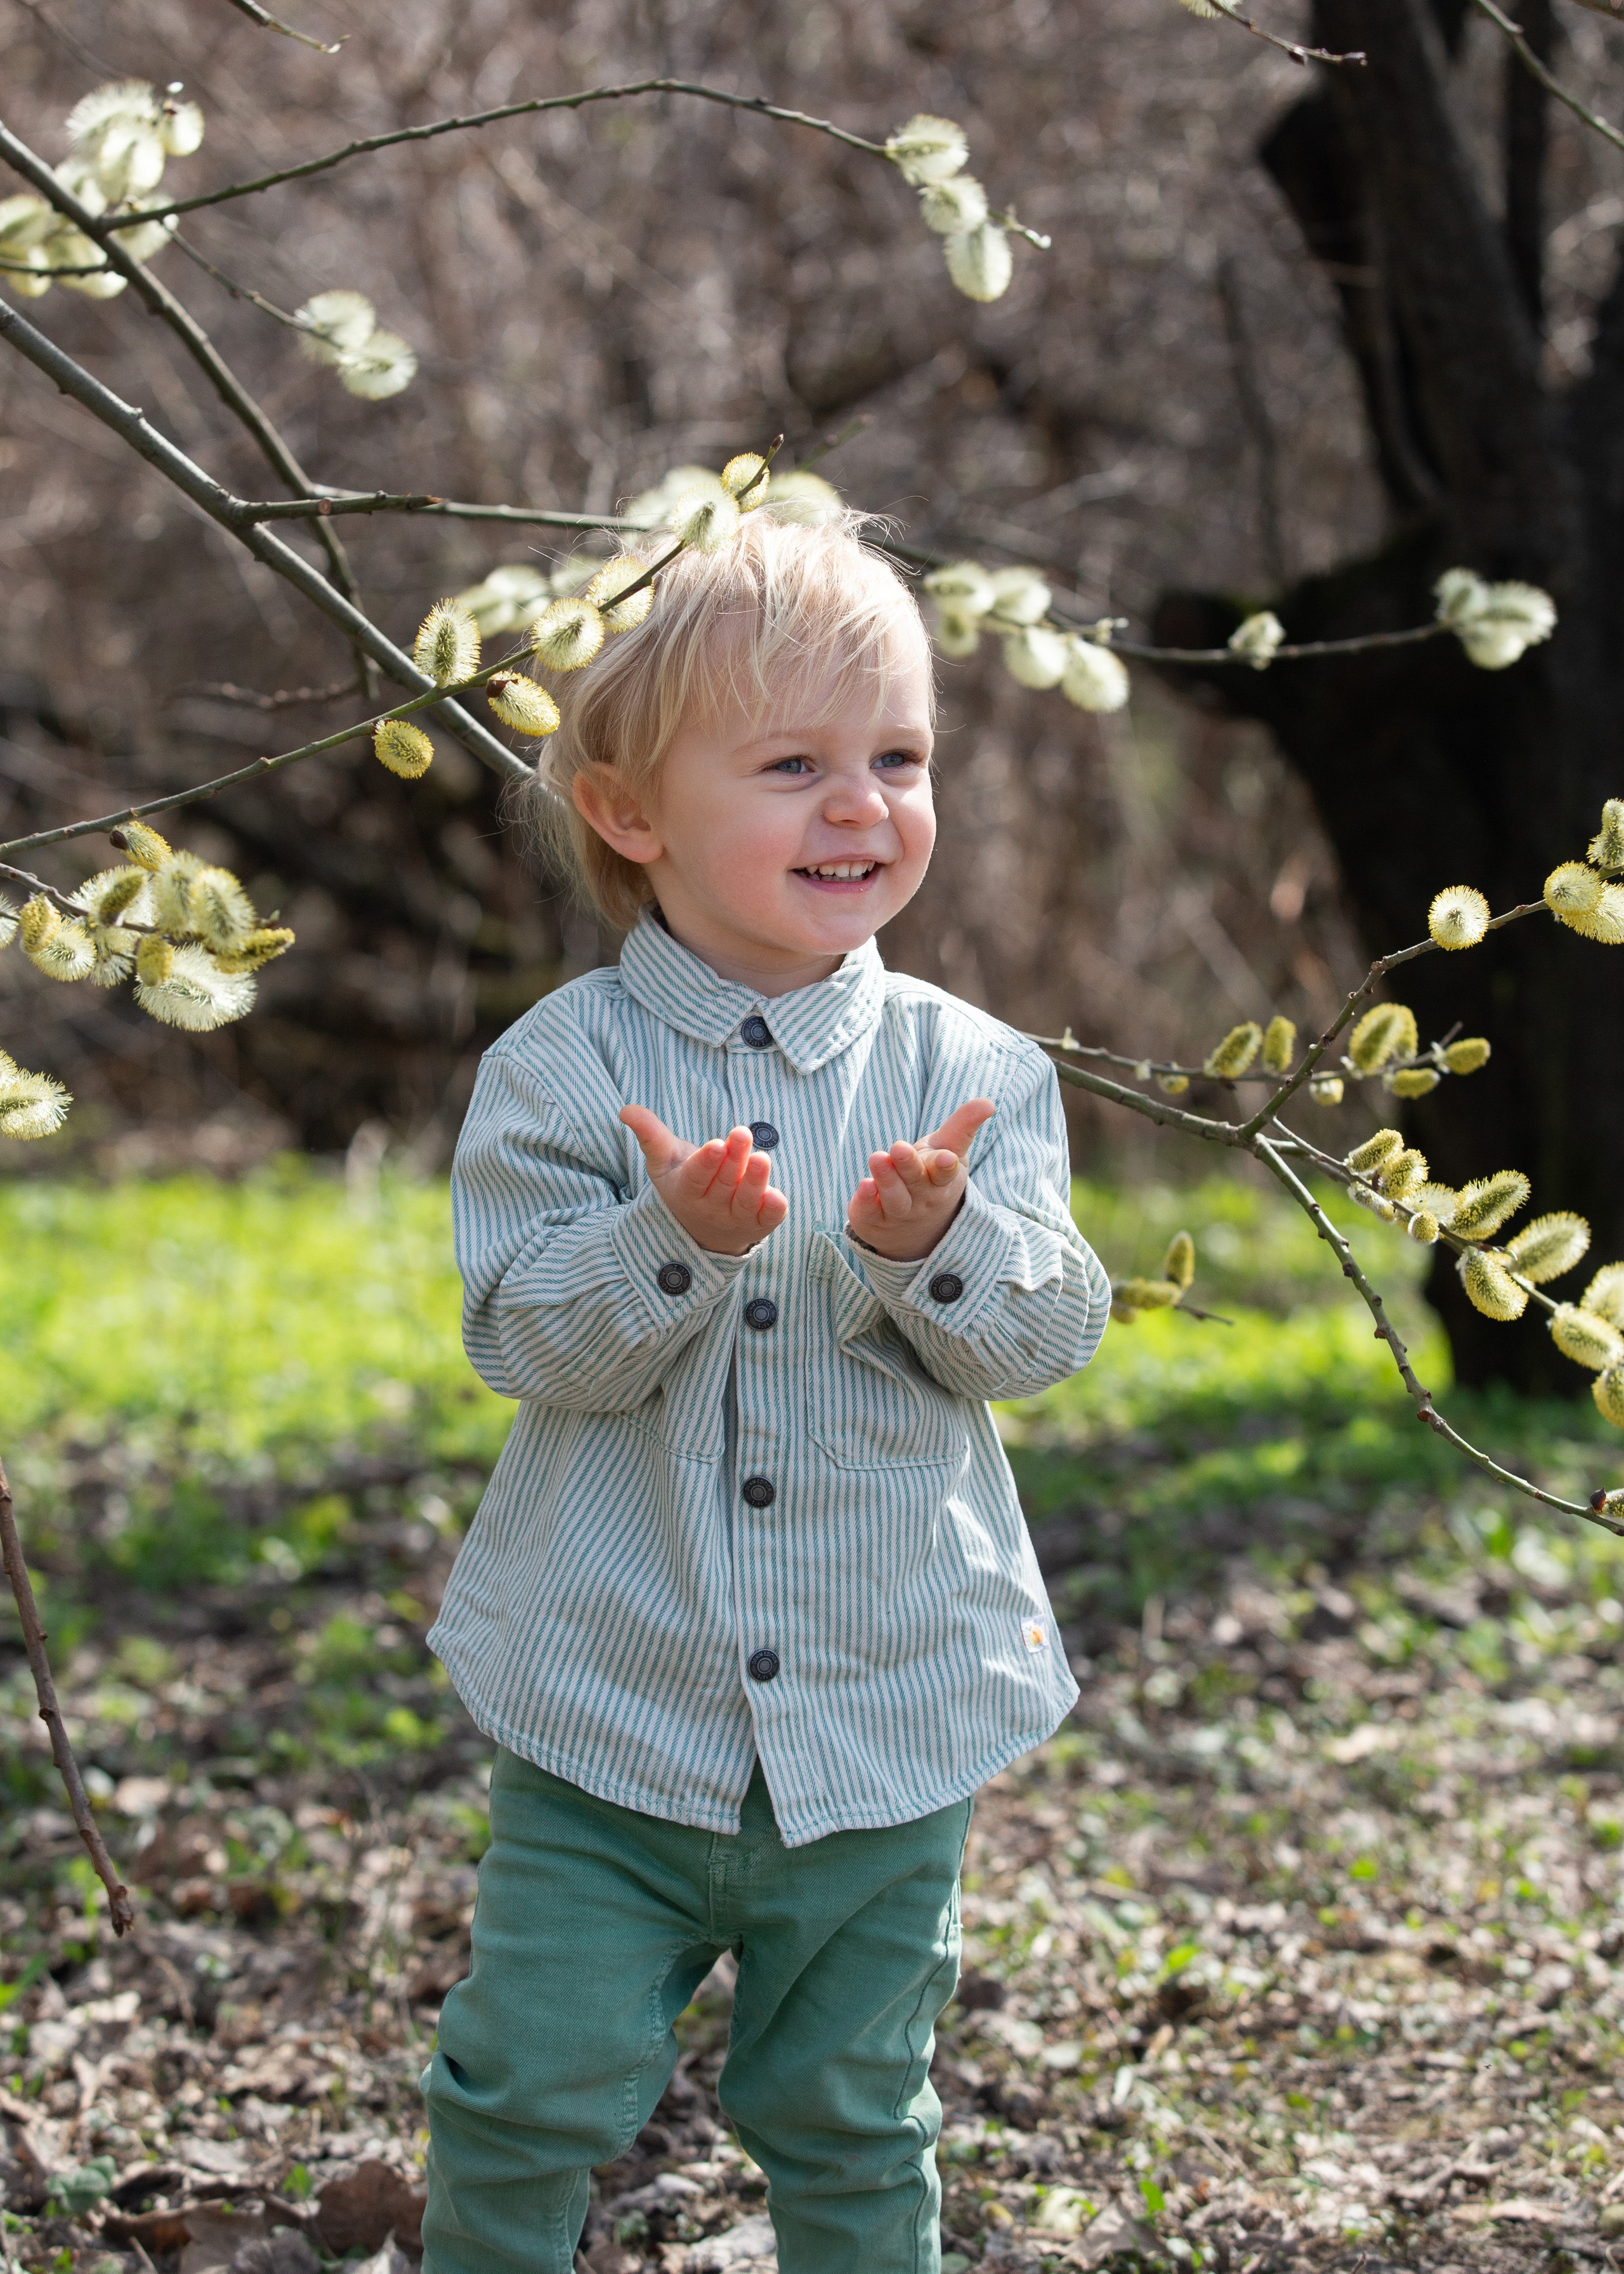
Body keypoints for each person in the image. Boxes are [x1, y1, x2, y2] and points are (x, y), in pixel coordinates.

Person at [420, 504, 1111, 2274]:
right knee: (524, 2090)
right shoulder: (565, 1068)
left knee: (857, 2112)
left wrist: (940, 1248)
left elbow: (1048, 1341)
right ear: (630, 812)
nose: (862, 804)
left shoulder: (971, 1070)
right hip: (611, 1714)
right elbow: (523, 1338)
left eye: (900, 758)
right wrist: (670, 1241)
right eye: (795, 765)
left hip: (888, 1724)